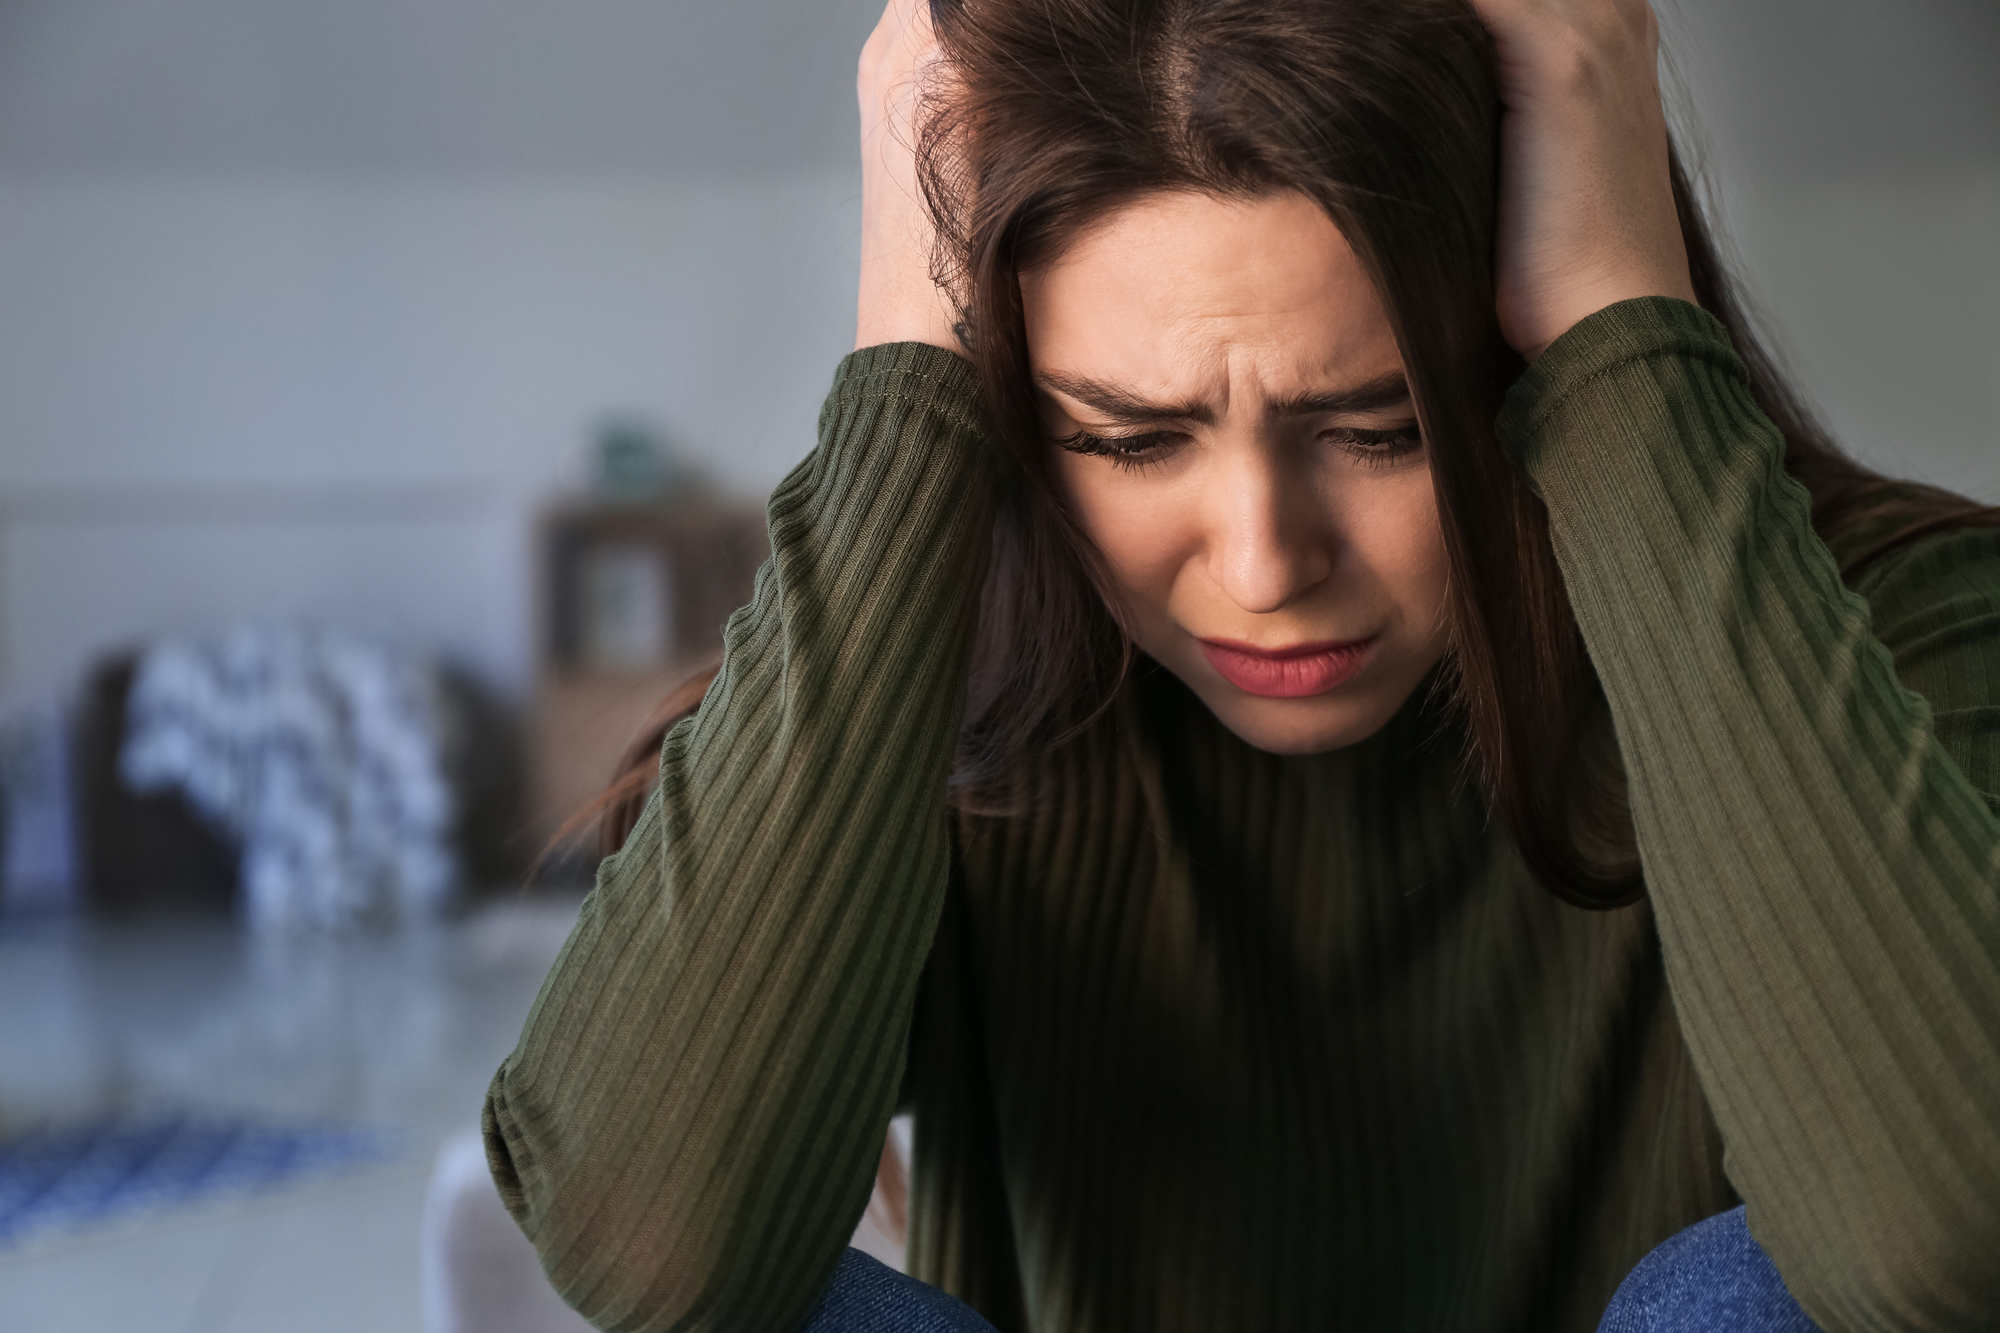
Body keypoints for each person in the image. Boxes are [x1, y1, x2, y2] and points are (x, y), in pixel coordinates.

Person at [485, 0, 2000, 1328]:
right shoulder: (940, 687)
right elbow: (649, 1243)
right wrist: (908, 373)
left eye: (1381, 427)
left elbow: (1941, 1239)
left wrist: (1629, 335)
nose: (1266, 565)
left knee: (1758, 1299)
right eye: (1130, 438)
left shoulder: (1895, 622)